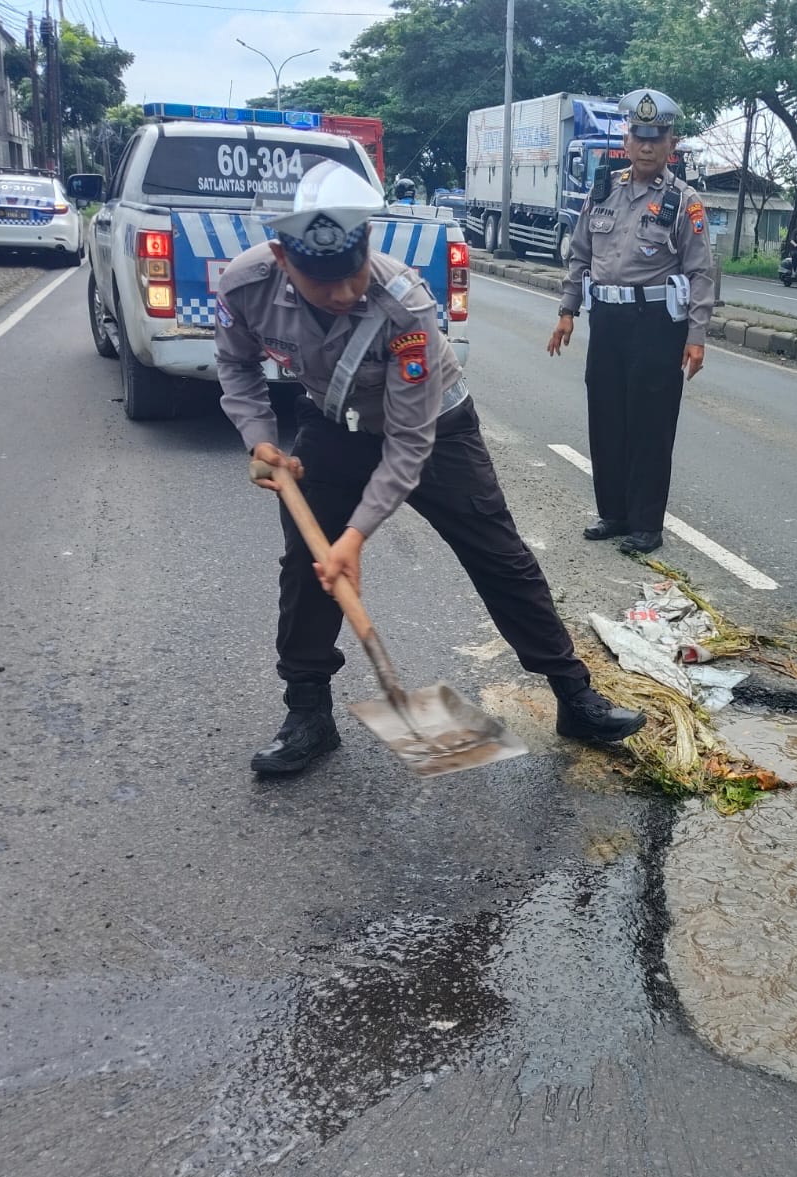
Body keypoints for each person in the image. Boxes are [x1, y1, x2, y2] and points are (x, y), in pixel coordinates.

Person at [216, 159, 646, 776]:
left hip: (435, 429)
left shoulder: (403, 305)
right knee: (308, 568)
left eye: (351, 274)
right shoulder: (246, 284)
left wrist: (356, 539)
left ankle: (572, 695)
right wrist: (259, 439)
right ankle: (307, 711)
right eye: (321, 282)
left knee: (500, 556)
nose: (341, 294)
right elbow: (235, 365)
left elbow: (409, 445)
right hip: (334, 425)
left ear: (368, 244)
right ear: (285, 262)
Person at [546, 88, 716, 556]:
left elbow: (701, 272)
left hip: (656, 322)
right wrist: (567, 311)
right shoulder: (603, 190)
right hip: (607, 320)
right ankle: (614, 512)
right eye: (639, 135)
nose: (646, 145)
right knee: (606, 416)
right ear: (626, 139)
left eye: (656, 137)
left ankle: (646, 525)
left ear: (670, 144)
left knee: (649, 423)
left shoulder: (685, 202)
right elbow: (580, 255)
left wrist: (696, 335)